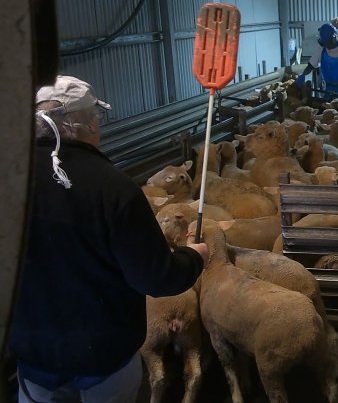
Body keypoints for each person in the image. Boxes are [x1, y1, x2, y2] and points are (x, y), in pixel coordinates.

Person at [9, 75, 209, 403]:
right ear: (86, 124)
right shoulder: (113, 188)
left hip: (35, 354)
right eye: (97, 118)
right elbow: (156, 277)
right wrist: (194, 257)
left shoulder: (8, 181)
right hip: (104, 356)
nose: (98, 125)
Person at [297, 22, 338, 96]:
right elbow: (311, 66)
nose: (326, 45)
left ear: (334, 37)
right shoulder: (321, 50)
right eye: (324, 43)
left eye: (327, 42)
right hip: (329, 89)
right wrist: (303, 75)